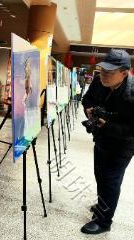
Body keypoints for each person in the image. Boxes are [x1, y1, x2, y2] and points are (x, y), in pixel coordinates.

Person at [81, 49, 134, 234]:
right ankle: (103, 205)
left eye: (110, 72)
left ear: (125, 72)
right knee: (100, 176)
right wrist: (89, 110)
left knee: (111, 180)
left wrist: (108, 125)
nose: (104, 75)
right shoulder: (98, 81)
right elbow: (86, 99)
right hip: (101, 138)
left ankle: (104, 222)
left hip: (123, 146)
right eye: (103, 70)